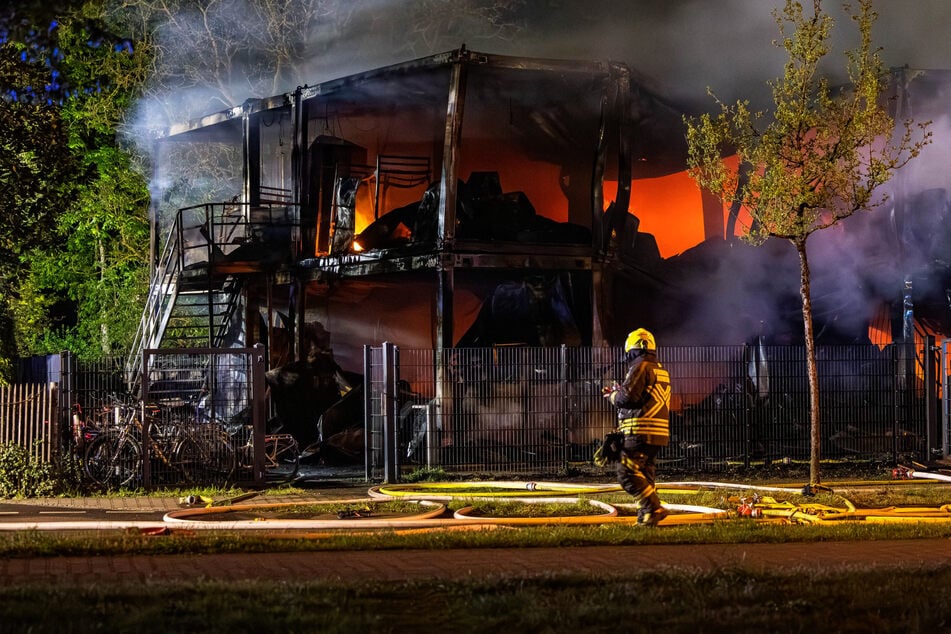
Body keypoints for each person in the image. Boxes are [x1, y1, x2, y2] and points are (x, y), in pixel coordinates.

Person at [603, 328, 671, 526]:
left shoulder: (640, 367)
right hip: (657, 433)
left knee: (627, 472)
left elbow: (627, 397)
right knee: (645, 474)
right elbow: (643, 396)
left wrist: (613, 395)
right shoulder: (659, 369)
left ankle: (653, 507)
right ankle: (647, 518)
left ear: (631, 350)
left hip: (639, 430)